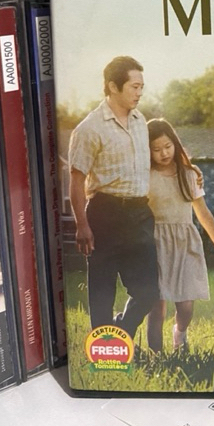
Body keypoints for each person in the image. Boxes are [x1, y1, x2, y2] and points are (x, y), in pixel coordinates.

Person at [68, 56, 159, 340]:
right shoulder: (89, 128)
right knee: (102, 290)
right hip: (105, 213)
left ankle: (120, 334)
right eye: (134, 86)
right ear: (112, 86)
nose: (139, 92)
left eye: (141, 87)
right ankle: (104, 350)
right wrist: (82, 225)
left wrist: (189, 172)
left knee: (148, 291)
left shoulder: (140, 121)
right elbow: (76, 180)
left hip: (140, 213)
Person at [144, 118, 214, 353]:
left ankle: (180, 335)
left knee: (185, 305)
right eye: (156, 149)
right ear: (147, 150)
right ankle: (155, 353)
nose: (164, 153)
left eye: (167, 146)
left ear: (175, 144)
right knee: (156, 306)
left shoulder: (189, 174)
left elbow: (203, 212)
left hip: (184, 243)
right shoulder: (145, 176)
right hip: (155, 243)